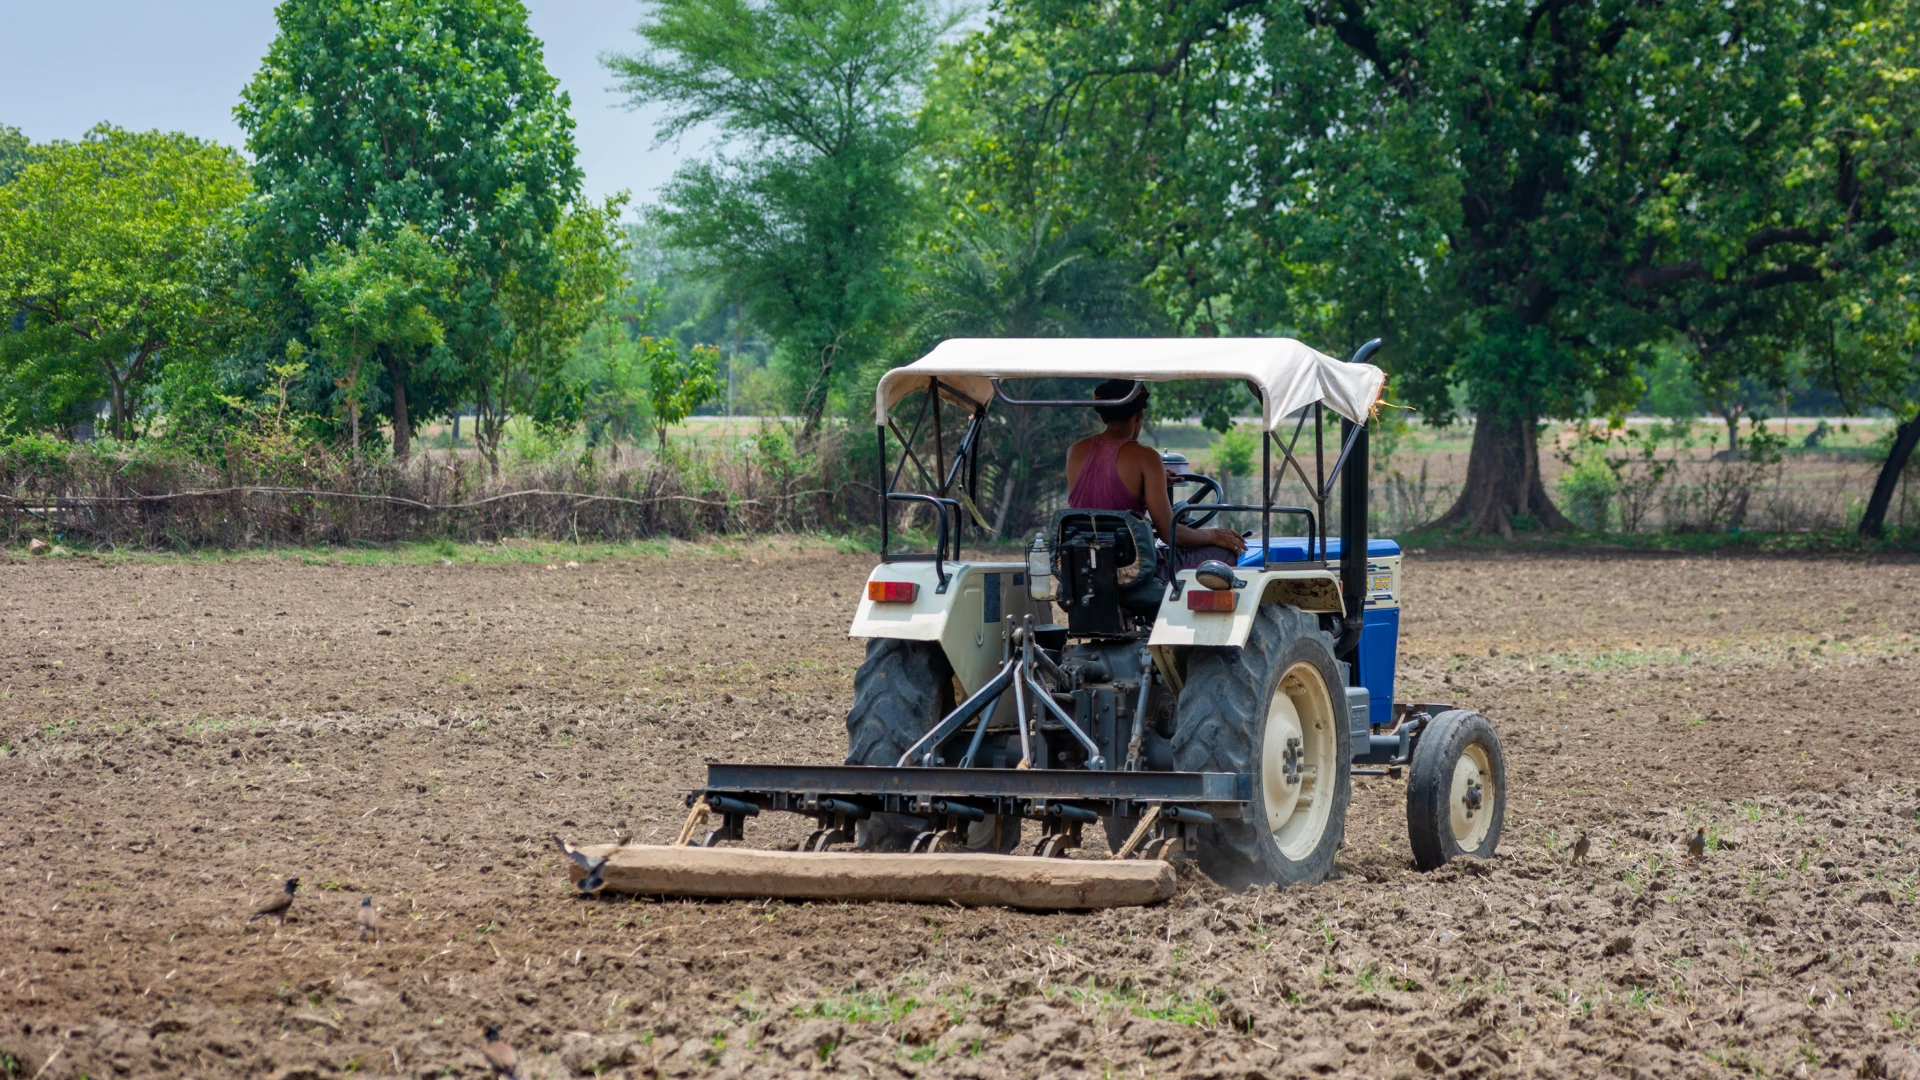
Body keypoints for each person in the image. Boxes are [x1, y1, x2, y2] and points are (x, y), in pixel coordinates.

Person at [1066, 378, 1246, 573]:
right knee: (1229, 555)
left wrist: (1152, 483)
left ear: (1102, 417)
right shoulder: (1146, 457)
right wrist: (1214, 535)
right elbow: (1171, 535)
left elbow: (1102, 495)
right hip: (1133, 569)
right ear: (1139, 415)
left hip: (1083, 565)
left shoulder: (1075, 451)